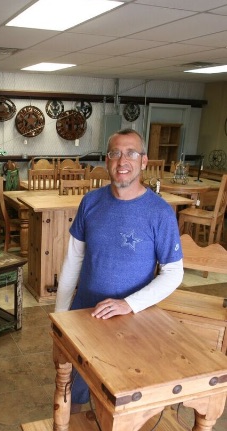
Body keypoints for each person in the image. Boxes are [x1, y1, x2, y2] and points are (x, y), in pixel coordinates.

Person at [55, 128, 184, 411]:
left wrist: (128, 304)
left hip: (132, 323)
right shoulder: (91, 202)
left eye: (131, 153)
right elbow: (73, 260)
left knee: (120, 397)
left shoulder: (159, 212)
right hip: (84, 314)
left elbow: (174, 273)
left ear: (144, 161)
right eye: (115, 153)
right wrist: (61, 317)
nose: (122, 160)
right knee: (74, 395)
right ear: (107, 160)